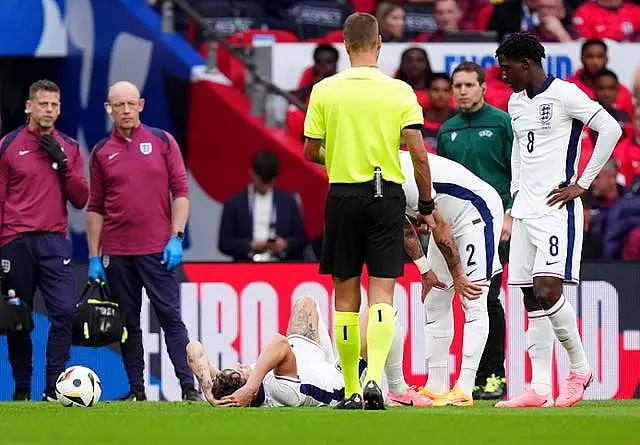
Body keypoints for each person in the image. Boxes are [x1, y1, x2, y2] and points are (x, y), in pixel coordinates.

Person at [302, 12, 439, 410]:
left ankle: (350, 389)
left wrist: (341, 154)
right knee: (382, 295)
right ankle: (376, 379)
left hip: (343, 195)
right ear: (380, 44)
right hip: (386, 197)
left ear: (345, 45)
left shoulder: (325, 90)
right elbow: (418, 154)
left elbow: (310, 150)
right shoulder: (399, 91)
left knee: (345, 299)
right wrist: (426, 204)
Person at [495, 33, 622, 408]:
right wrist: (516, 190)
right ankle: (539, 387)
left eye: (507, 69)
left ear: (526, 64)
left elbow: (610, 130)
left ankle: (580, 369)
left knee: (549, 290)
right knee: (530, 296)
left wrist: (581, 185)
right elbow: (519, 146)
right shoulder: (516, 102)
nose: (504, 76)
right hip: (524, 213)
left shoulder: (565, 94)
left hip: (555, 211)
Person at [86, 81, 199, 401]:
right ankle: (137, 390)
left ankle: (189, 388)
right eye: (118, 105)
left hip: (157, 250)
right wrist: (94, 257)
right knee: (127, 324)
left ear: (141, 105)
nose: (125, 110)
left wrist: (176, 236)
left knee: (171, 319)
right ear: (108, 109)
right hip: (118, 253)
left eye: (130, 104)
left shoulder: (162, 141)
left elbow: (181, 192)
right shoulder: (100, 152)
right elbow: (95, 207)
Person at [0, 79, 88, 401]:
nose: (49, 110)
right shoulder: (8, 145)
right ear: (29, 106)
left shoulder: (70, 148)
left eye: (54, 105)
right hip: (15, 241)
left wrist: (63, 166)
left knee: (64, 312)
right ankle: (23, 389)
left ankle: (54, 389)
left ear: (60, 108)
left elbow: (81, 199)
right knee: (18, 318)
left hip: (54, 241)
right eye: (43, 104)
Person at [399, 151, 502, 406]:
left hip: (476, 213)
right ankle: (435, 386)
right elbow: (401, 226)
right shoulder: (375, 179)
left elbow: (441, 226)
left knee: (472, 298)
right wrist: (425, 269)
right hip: (445, 221)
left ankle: (465, 388)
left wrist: (458, 275)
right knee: (435, 300)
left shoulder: (404, 178)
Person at [436, 61, 513, 400]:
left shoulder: (501, 123)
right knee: (451, 300)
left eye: (469, 85)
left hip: (494, 223)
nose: (462, 91)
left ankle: (493, 375)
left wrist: (510, 214)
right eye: (458, 86)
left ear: (483, 87)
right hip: (455, 226)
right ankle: (463, 376)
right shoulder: (448, 130)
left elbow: (518, 171)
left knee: (486, 297)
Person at [218, 151, 308, 262]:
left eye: (269, 181)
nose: (266, 186)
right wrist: (251, 245)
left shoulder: (289, 202)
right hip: (246, 265)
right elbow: (224, 243)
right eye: (262, 181)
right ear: (252, 173)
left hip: (281, 265)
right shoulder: (234, 203)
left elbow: (301, 239)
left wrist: (285, 245)